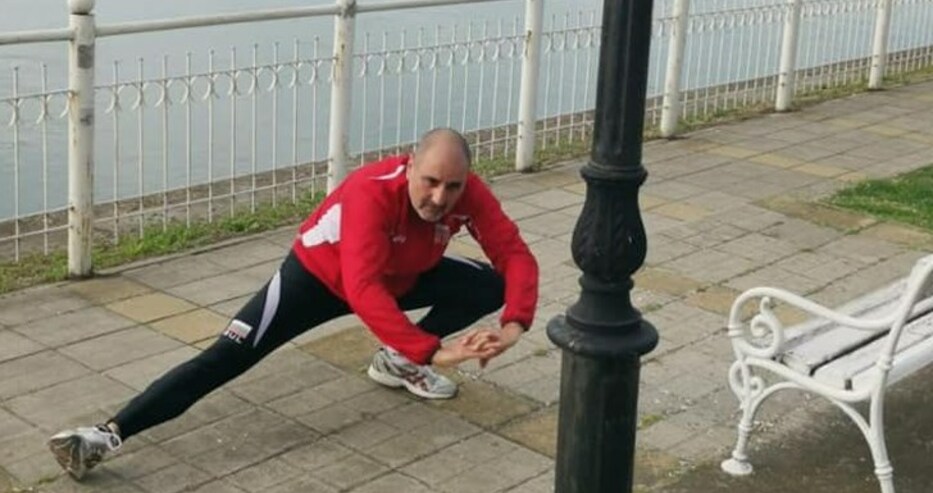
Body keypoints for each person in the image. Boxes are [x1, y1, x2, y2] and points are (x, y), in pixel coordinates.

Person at [47, 127, 539, 479]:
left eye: (452, 186)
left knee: (490, 284)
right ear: (410, 166)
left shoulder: (469, 194)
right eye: (430, 181)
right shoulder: (370, 192)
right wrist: (435, 351)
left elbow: (514, 253)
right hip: (317, 279)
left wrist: (513, 327)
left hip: (402, 276)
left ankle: (396, 362)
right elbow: (363, 287)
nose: (439, 197)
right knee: (225, 356)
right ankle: (104, 435)